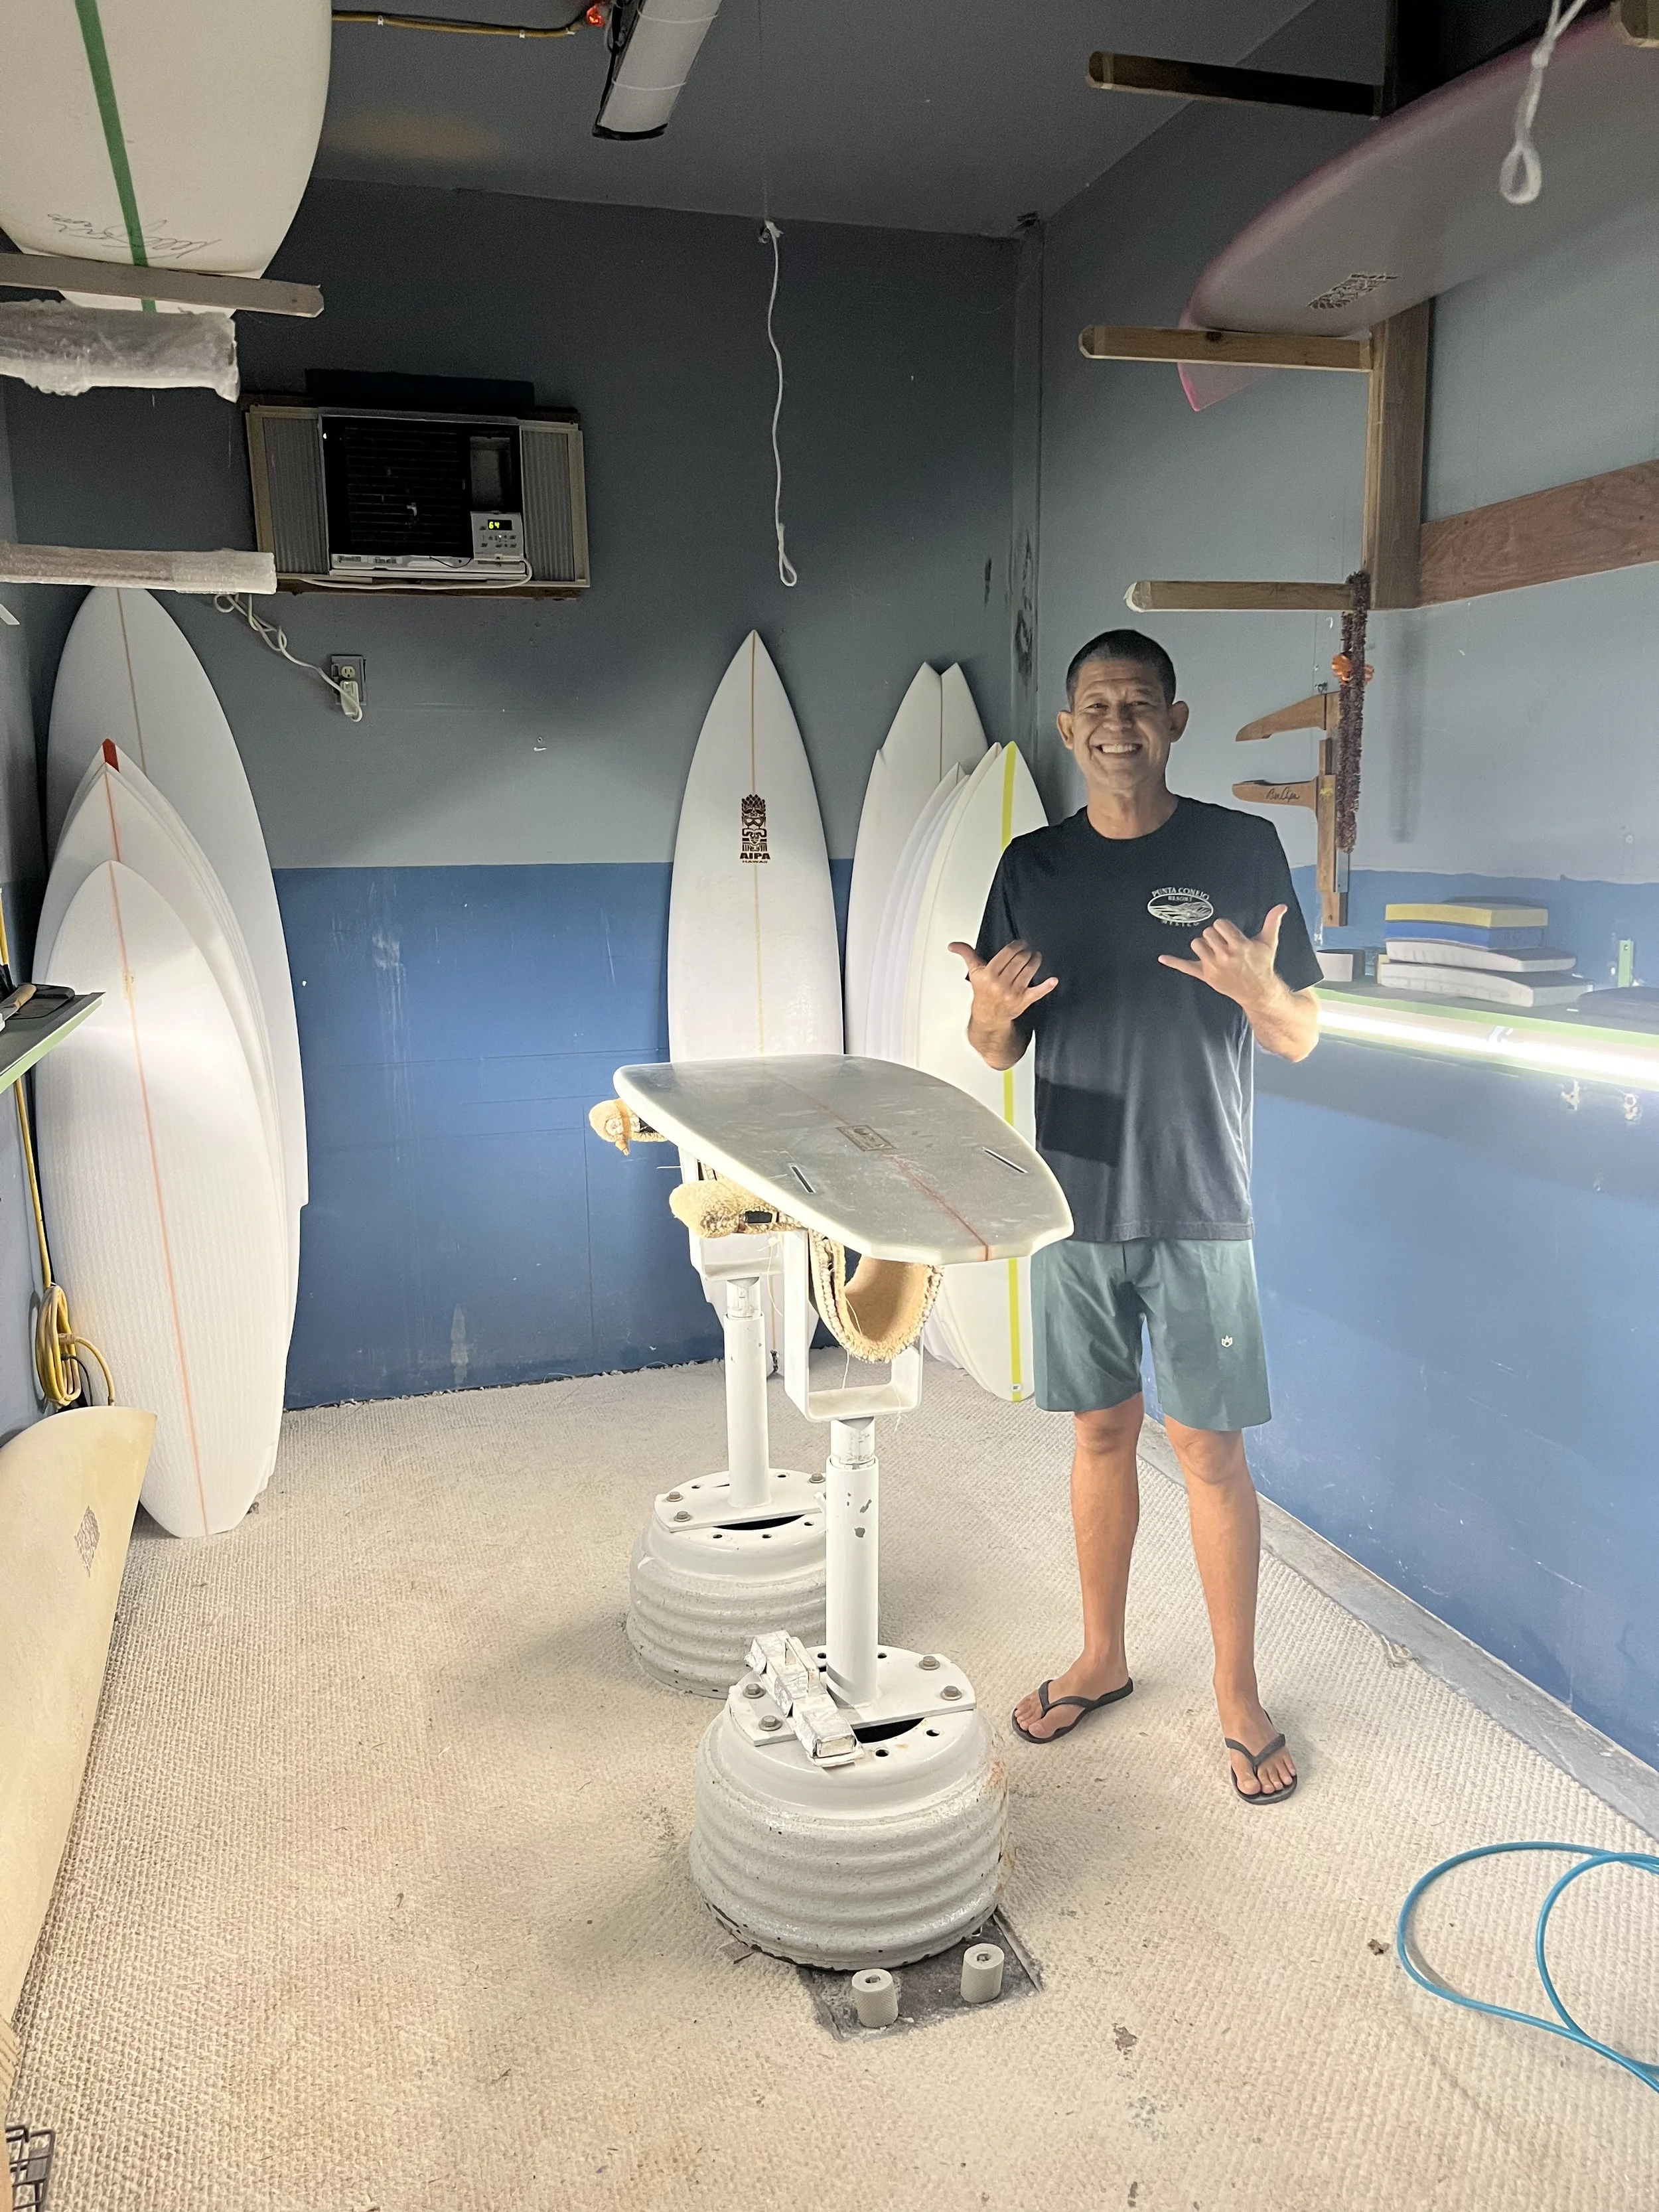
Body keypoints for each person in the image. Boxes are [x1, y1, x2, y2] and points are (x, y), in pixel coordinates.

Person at [950, 629, 1321, 1803]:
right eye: (1098, 705)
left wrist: (1264, 993)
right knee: (1098, 1435)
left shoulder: (1241, 847)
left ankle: (1236, 1691)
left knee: (1209, 1450)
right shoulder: (1033, 866)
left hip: (1202, 1196)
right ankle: (1103, 1657)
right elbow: (996, 1041)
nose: (1119, 721)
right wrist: (991, 1019)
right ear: (1069, 729)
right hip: (1076, 1199)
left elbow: (1299, 1032)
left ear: (1177, 720)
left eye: (1141, 702)